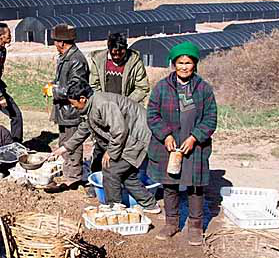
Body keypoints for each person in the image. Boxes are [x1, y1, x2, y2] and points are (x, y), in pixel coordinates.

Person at [50, 80, 161, 214]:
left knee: (110, 169)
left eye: (73, 103)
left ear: (82, 99)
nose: (73, 106)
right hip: (129, 138)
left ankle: (115, 207)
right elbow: (84, 129)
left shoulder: (103, 104)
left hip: (138, 138)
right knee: (126, 175)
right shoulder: (91, 106)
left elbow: (119, 130)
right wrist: (64, 148)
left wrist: (111, 152)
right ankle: (150, 204)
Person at [146, 41, 217, 246]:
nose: (184, 67)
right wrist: (166, 135)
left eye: (188, 63)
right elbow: (152, 115)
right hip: (168, 145)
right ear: (173, 64)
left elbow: (210, 118)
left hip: (194, 145)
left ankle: (195, 227)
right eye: (180, 63)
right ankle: (171, 223)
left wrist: (194, 137)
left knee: (195, 187)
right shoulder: (162, 87)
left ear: (195, 64)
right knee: (170, 185)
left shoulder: (203, 89)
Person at [88, 32, 150, 173]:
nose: (117, 57)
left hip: (126, 111)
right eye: (114, 54)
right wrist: (102, 104)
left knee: (125, 142)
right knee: (101, 143)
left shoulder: (134, 61)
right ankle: (97, 174)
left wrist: (125, 104)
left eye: (120, 54)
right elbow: (94, 85)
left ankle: (126, 175)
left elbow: (142, 87)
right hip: (104, 110)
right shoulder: (99, 60)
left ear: (125, 49)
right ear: (109, 49)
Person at [43, 24, 90, 187]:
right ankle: (68, 173)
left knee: (73, 144)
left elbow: (77, 89)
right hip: (64, 111)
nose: (54, 44)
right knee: (64, 142)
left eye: (55, 41)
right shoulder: (66, 57)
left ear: (61, 42)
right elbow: (64, 81)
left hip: (72, 111)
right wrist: (53, 84)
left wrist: (55, 91)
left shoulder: (76, 60)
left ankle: (73, 178)